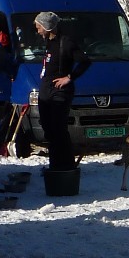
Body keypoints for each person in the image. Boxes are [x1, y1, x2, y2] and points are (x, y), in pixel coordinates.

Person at [34, 11, 90, 171]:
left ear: (47, 27)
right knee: (48, 129)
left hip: (60, 92)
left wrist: (69, 77)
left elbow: (84, 62)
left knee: (58, 128)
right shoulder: (48, 42)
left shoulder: (66, 42)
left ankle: (66, 166)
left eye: (39, 27)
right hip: (46, 90)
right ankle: (55, 165)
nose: (37, 31)